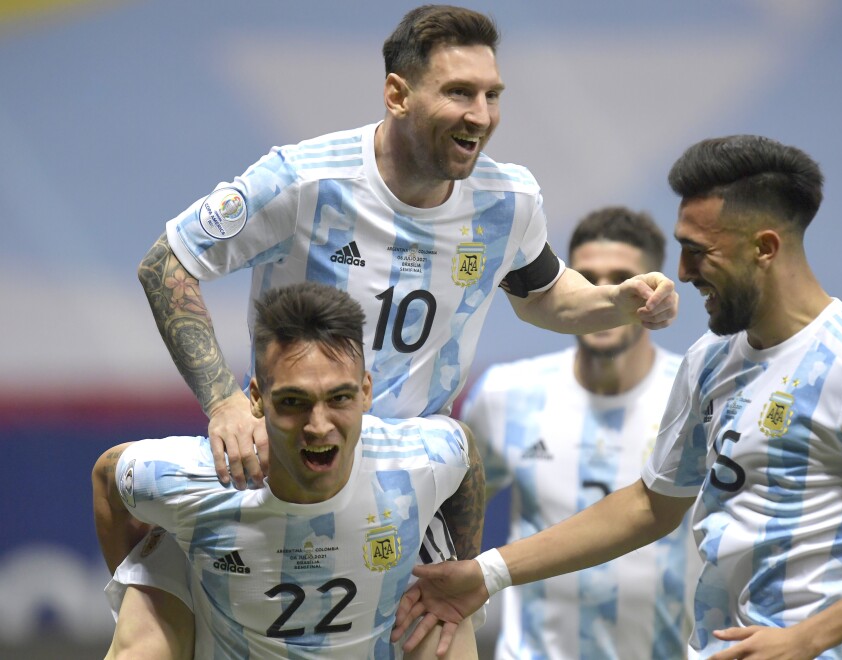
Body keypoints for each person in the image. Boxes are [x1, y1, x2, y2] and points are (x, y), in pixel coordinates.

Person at [120, 3, 677, 655]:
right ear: (397, 93)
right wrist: (222, 405)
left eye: (492, 95)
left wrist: (617, 303)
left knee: (445, 641)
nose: (482, 115)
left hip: (409, 478)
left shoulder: (509, 201)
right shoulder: (304, 179)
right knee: (142, 643)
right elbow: (165, 266)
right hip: (291, 457)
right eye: (459, 92)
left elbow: (545, 295)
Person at [393, 134, 842, 660]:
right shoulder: (711, 360)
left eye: (699, 253)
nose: (684, 273)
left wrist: (806, 640)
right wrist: (487, 574)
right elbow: (651, 504)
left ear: (765, 247)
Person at [92, 281, 482, 659]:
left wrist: (459, 571)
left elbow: (467, 458)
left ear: (366, 392)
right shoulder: (201, 479)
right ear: (257, 399)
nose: (318, 425)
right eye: (294, 401)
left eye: (339, 398)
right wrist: (145, 586)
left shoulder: (420, 460)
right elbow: (108, 475)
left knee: (447, 621)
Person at [460, 206, 698, 659]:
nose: (606, 290)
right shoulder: (507, 394)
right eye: (586, 276)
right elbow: (449, 521)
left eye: (622, 276)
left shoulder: (692, 395)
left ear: (654, 286)